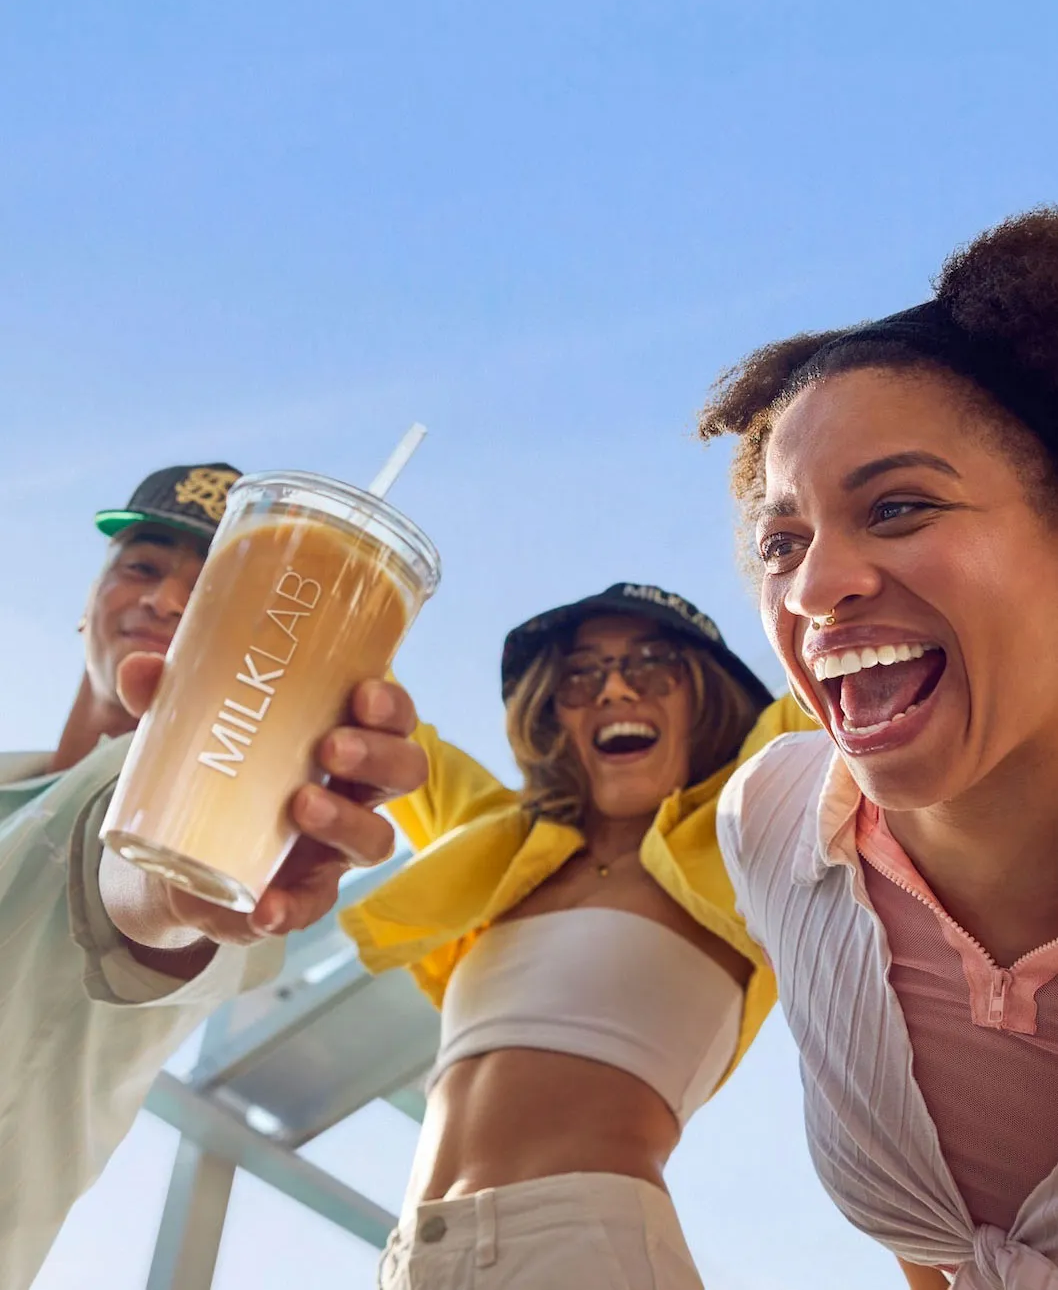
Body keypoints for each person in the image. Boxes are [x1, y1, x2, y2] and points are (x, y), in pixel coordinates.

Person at [700, 208, 1058, 1289]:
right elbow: (939, 1253)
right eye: (780, 543)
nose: (812, 589)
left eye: (896, 507)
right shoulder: (771, 825)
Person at [1, 462, 424, 1289]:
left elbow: (144, 894)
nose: (163, 599)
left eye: (211, 584)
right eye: (142, 565)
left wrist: (196, 881)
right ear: (89, 600)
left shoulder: (191, 811)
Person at [342, 581, 814, 1289]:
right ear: (554, 712)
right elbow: (353, 689)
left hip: (586, 1247)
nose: (616, 689)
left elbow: (830, 657)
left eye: (655, 664)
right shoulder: (497, 837)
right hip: (415, 1254)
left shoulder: (748, 828)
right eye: (579, 675)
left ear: (705, 698)